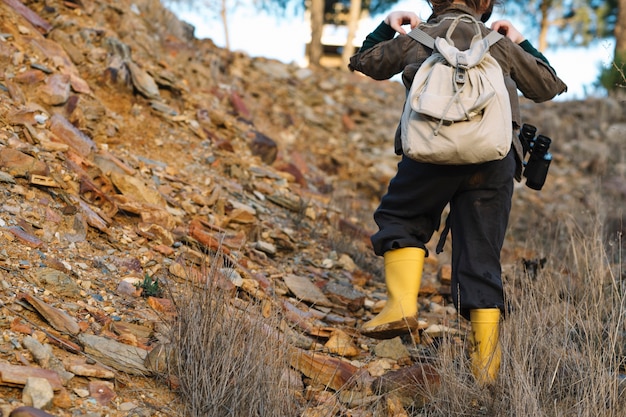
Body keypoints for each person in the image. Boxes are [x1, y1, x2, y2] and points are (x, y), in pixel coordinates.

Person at [348, 0, 567, 385]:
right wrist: (521, 40)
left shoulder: (419, 37)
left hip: (429, 149)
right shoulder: (500, 45)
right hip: (493, 159)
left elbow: (364, 61)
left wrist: (388, 24)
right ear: (487, 5)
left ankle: (401, 304)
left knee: (401, 218)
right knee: (481, 253)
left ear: (433, 1)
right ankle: (485, 369)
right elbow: (548, 85)